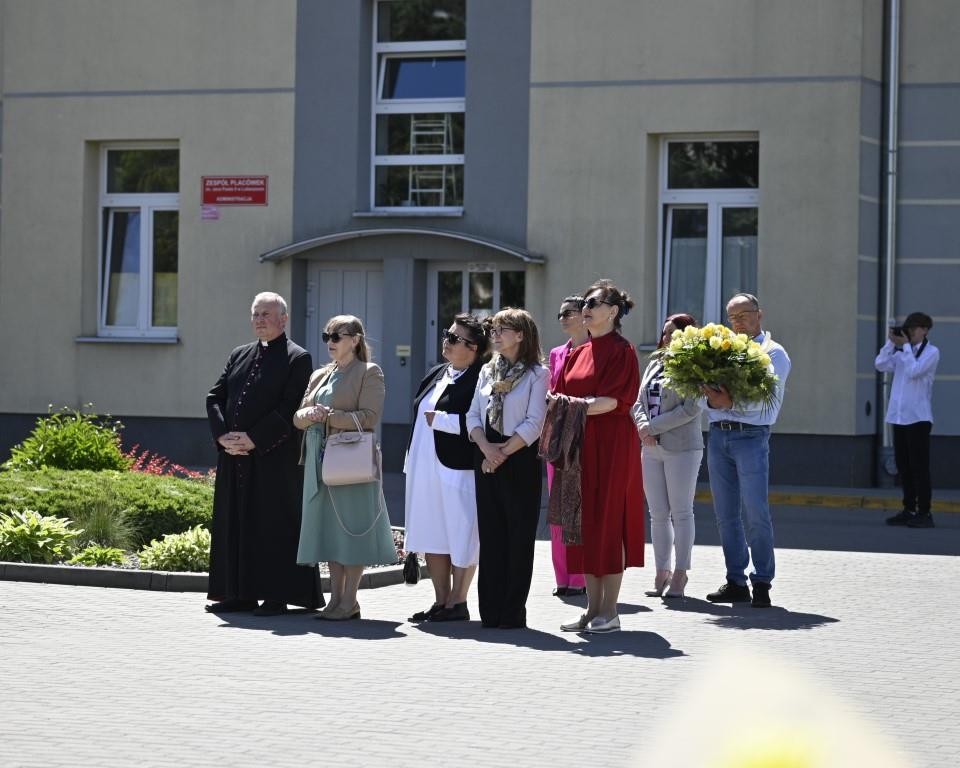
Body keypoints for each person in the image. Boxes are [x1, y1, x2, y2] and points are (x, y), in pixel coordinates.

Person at [205, 292, 322, 616]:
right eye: (255, 314)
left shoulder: (298, 357)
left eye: (266, 314)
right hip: (234, 456)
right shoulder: (239, 354)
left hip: (274, 459)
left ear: (283, 319)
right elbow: (215, 396)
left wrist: (254, 439)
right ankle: (239, 593)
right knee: (237, 523)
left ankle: (276, 595)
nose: (259, 320)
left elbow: (291, 406)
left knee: (272, 526)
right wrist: (223, 436)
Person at [556, 279, 644, 634]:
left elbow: (611, 402)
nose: (586, 309)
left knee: (608, 524)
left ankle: (611, 610)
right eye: (585, 304)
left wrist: (567, 407)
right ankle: (591, 611)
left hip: (611, 448)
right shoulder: (578, 351)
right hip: (579, 447)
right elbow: (557, 394)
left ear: (613, 311)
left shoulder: (622, 351)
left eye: (593, 303)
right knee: (585, 527)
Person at [295, 315, 396, 621]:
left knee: (350, 530)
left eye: (337, 336)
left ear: (355, 340)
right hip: (318, 459)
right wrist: (309, 413)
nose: (330, 341)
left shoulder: (369, 372)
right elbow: (297, 417)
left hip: (349, 460)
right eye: (327, 335)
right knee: (330, 532)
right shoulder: (319, 375)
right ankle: (335, 599)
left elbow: (368, 417)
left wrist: (328, 417)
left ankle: (349, 599)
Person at [700, 292, 791, 608]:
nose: (737, 321)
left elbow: (768, 403)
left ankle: (762, 580)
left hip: (751, 437)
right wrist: (713, 401)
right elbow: (699, 392)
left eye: (743, 315)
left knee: (755, 511)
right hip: (718, 436)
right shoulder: (719, 351)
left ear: (759, 315)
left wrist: (730, 402)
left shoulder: (774, 353)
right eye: (732, 316)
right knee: (725, 514)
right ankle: (735, 580)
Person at [466, 308, 549, 629]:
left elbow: (534, 423)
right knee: (491, 536)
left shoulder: (537, 375)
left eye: (503, 329)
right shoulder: (488, 370)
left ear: (521, 335)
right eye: (494, 329)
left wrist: (502, 453)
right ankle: (490, 610)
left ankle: (512, 612)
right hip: (486, 455)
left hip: (519, 459)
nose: (495, 335)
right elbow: (473, 415)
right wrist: (487, 449)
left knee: (517, 538)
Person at [405, 314, 489, 623]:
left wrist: (443, 421)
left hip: (458, 469)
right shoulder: (437, 373)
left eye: (454, 338)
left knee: (460, 533)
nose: (446, 342)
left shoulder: (482, 378)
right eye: (446, 335)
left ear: (474, 348)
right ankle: (440, 600)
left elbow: (485, 421)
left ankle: (459, 601)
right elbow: (418, 419)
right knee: (432, 533)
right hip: (424, 466)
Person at [633, 313, 703, 599]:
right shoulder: (655, 362)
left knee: (681, 512)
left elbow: (690, 409)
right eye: (664, 333)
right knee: (657, 514)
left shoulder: (696, 366)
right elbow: (638, 401)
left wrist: (653, 426)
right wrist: (641, 426)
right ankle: (661, 570)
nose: (665, 339)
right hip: (650, 447)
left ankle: (680, 573)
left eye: (672, 333)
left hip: (682, 447)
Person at [875, 312, 940, 528]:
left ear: (925, 330)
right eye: (908, 329)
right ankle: (909, 508)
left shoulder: (931, 353)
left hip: (918, 418)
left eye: (914, 329)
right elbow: (880, 364)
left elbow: (914, 371)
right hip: (899, 417)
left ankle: (925, 512)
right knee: (904, 466)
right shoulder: (903, 351)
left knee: (919, 467)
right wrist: (890, 342)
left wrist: (904, 348)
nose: (910, 332)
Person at [546, 295, 588, 598]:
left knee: (581, 509)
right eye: (559, 313)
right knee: (558, 508)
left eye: (568, 312)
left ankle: (581, 577)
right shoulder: (556, 353)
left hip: (584, 437)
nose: (563, 317)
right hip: (557, 438)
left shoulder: (594, 350)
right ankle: (563, 577)